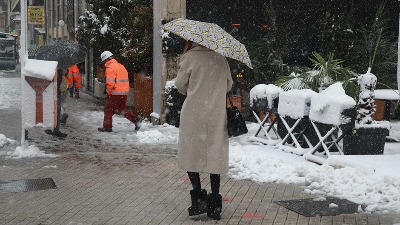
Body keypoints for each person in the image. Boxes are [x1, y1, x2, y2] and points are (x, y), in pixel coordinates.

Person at [174, 41, 233, 220]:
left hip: (193, 114)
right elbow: (229, 85)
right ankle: (215, 204)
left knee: (192, 153)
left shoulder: (189, 57)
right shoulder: (221, 58)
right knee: (215, 155)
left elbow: (180, 85)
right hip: (216, 113)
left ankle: (198, 197)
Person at [98, 51, 142, 132]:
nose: (104, 62)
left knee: (108, 110)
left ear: (106, 59)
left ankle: (107, 127)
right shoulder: (121, 66)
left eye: (104, 60)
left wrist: (108, 92)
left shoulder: (110, 68)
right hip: (124, 92)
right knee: (122, 109)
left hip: (115, 93)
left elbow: (110, 83)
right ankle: (136, 120)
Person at [45, 69, 68, 138]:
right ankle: (54, 129)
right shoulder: (54, 66)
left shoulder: (59, 66)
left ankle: (55, 129)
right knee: (55, 110)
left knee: (56, 111)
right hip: (53, 90)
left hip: (56, 90)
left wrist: (64, 73)